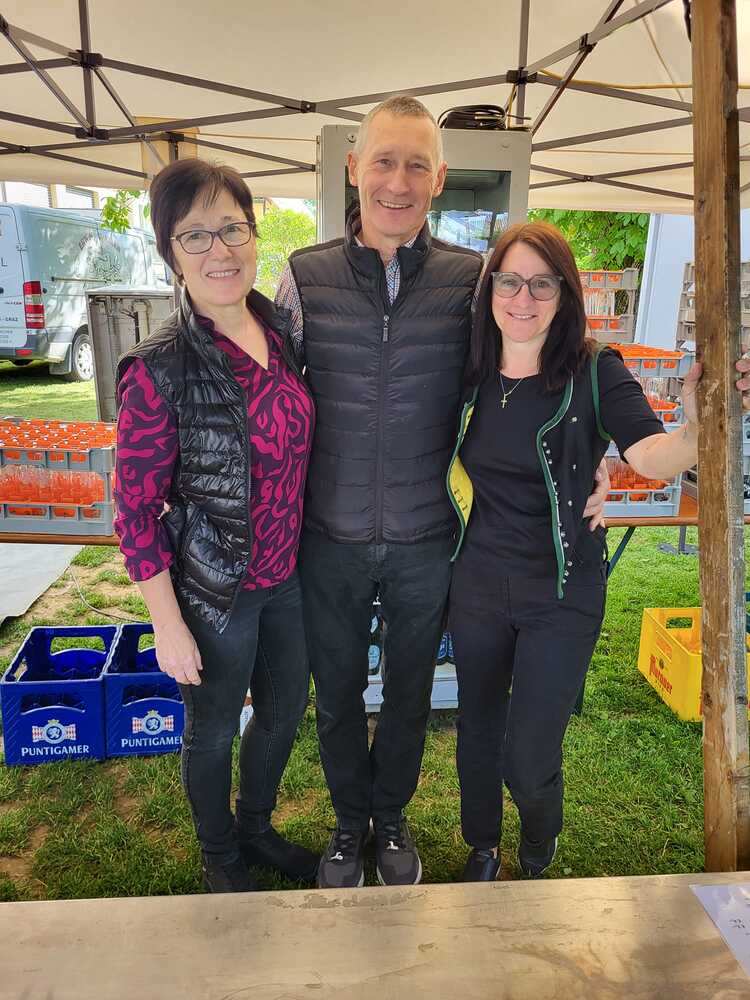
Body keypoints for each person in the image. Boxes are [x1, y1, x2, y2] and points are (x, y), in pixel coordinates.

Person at [276, 96, 608, 889]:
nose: (398, 182)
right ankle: (349, 824)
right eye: (383, 162)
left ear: (439, 176)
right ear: (353, 167)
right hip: (330, 534)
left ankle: (391, 818)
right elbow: (269, 396)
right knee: (337, 694)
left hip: (428, 537)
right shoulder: (303, 276)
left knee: (411, 694)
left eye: (416, 165)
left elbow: (531, 372)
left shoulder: (470, 280)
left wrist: (594, 449)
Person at [446, 220, 703, 882]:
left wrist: (699, 428)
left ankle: (539, 840)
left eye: (542, 284)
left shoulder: (594, 370)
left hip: (562, 590)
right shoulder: (468, 370)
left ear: (564, 294)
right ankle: (483, 846)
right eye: (510, 281)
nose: (523, 298)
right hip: (477, 585)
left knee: (529, 756)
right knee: (477, 730)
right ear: (490, 288)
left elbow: (650, 455)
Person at [113, 159, 318, 893]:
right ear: (170, 254)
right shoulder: (157, 369)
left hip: (288, 578)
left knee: (285, 711)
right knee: (213, 727)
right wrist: (168, 625)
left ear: (255, 236)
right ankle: (219, 856)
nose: (219, 250)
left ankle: (255, 828)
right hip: (215, 590)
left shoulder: (283, 332)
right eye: (194, 235)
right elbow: (133, 513)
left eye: (232, 228)